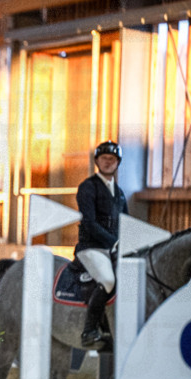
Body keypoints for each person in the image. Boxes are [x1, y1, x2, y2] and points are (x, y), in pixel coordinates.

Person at [75, 140, 129, 347]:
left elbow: (126, 222)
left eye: (112, 159)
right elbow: (88, 222)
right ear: (97, 161)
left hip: (113, 248)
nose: (108, 162)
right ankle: (89, 331)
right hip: (91, 248)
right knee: (108, 280)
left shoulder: (120, 192)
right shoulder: (88, 187)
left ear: (117, 163)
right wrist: (113, 242)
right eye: (104, 158)